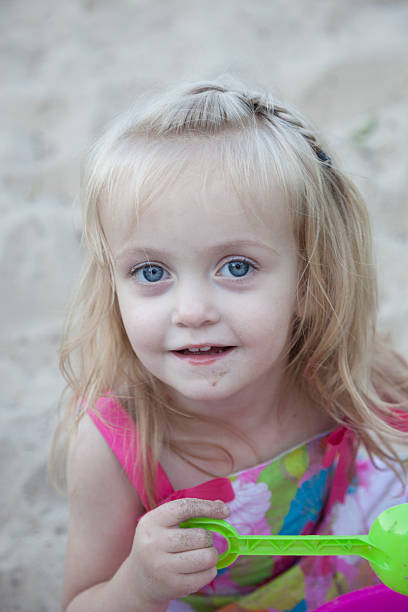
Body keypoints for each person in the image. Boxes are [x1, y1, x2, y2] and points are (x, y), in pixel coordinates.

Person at [52, 79, 408, 612]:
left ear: (309, 285)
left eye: (236, 267)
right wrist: (140, 584)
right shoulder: (116, 444)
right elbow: (80, 602)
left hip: (340, 573)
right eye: (151, 271)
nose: (192, 310)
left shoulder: (340, 375)